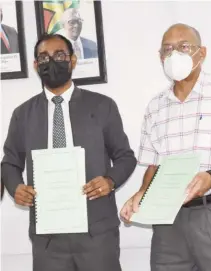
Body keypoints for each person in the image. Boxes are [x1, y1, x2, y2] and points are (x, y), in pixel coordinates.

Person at [120, 23, 211, 271]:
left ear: (201, 53)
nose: (175, 55)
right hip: (168, 221)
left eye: (184, 47)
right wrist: (141, 195)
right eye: (168, 49)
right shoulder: (155, 106)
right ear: (160, 57)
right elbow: (154, 166)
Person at [1, 33, 136, 271]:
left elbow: (125, 157)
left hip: (97, 233)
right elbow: (10, 163)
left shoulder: (103, 106)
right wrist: (15, 188)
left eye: (59, 55)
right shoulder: (22, 114)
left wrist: (110, 181)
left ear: (72, 61)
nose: (51, 62)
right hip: (48, 237)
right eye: (43, 58)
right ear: (35, 66)